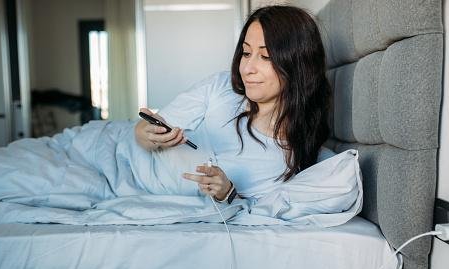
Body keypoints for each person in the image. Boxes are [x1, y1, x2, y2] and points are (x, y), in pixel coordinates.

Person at [135, 5, 331, 203]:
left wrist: (227, 193)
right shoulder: (220, 86)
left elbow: (248, 209)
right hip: (119, 154)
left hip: (139, 188)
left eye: (265, 56)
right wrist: (149, 134)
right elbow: (142, 130)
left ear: (299, 64)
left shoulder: (288, 159)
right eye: (246, 53)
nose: (247, 68)